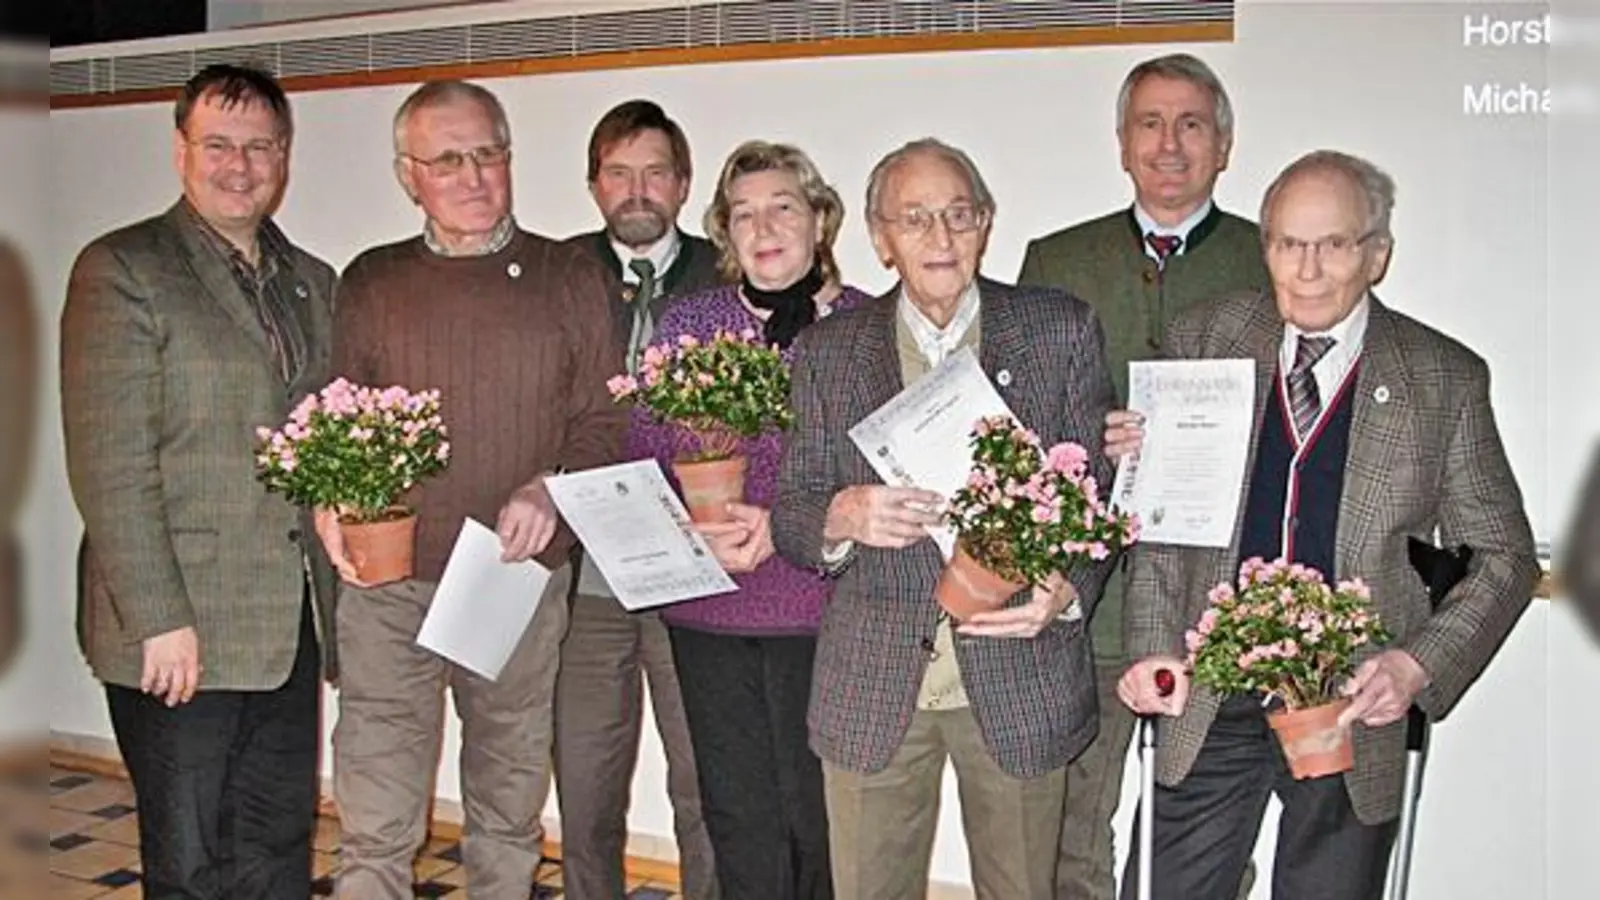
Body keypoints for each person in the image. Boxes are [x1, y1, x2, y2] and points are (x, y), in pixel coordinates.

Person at [1115, 150, 1540, 899]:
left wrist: (1415, 665)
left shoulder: (1442, 378)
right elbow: (1164, 525)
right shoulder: (1204, 336)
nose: (1307, 269)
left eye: (1333, 244)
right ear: (1266, 248)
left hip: (1352, 697)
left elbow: (1503, 557)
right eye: (1288, 243)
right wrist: (1152, 646)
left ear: (1377, 255)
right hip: (1208, 692)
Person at [772, 137, 1118, 900]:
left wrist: (1065, 591)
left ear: (985, 224)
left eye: (959, 215)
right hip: (874, 683)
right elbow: (792, 511)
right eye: (915, 218)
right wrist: (841, 515)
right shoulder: (829, 352)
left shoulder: (1059, 330)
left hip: (1020, 672)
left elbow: (1097, 492)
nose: (940, 236)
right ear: (881, 238)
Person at [316, 79, 625, 900]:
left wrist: (552, 489)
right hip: (390, 583)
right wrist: (327, 498)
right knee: (375, 820)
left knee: (506, 810)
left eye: (489, 153)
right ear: (407, 175)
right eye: (447, 160)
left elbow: (604, 422)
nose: (474, 176)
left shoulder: (569, 274)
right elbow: (338, 416)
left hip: (512, 576)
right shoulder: (372, 280)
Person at [60, 64, 337, 899]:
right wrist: (159, 618)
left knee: (277, 846)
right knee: (190, 862)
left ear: (285, 155)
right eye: (219, 144)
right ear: (181, 150)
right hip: (179, 631)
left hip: (284, 625)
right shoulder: (124, 268)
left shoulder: (312, 280)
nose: (240, 166)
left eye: (260, 146)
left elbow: (323, 439)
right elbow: (109, 462)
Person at [1015, 52, 1268, 900]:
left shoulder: (1272, 261)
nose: (1169, 144)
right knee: (1070, 826)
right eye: (1150, 124)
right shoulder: (1058, 261)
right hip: (1082, 599)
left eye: (1191, 124)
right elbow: (1014, 426)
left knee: (1204, 835)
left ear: (1223, 145)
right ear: (1122, 142)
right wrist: (1085, 437)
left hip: (1215, 599)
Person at [630, 140, 867, 900]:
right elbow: (644, 452)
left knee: (817, 817)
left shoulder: (865, 325)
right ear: (725, 233)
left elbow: (886, 470)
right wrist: (686, 526)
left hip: (824, 609)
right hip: (709, 608)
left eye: (783, 207)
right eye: (743, 214)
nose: (764, 228)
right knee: (735, 815)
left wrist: (792, 523)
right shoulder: (688, 323)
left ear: (820, 219)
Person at [556, 98, 722, 900]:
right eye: (618, 173)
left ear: (683, 184)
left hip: (693, 571)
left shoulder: (728, 275)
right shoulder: (556, 275)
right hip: (586, 575)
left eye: (655, 172)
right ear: (594, 184)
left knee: (702, 779)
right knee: (584, 778)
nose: (637, 189)